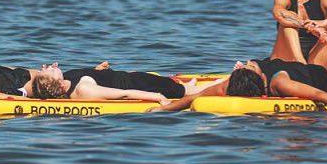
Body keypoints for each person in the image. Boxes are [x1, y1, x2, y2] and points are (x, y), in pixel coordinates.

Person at [151, 59, 327, 114]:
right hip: (266, 67)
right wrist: (164, 110)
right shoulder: (234, 83)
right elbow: (196, 97)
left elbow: (317, 94)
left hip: (313, 75)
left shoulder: (279, 84)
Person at [29, 64, 213, 103]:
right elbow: (125, 94)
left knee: (186, 87)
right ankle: (228, 80)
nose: (53, 65)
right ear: (57, 83)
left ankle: (191, 84)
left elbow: (89, 74)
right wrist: (158, 97)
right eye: (51, 70)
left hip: (134, 76)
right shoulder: (83, 89)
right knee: (189, 91)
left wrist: (98, 69)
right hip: (143, 84)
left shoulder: (69, 78)